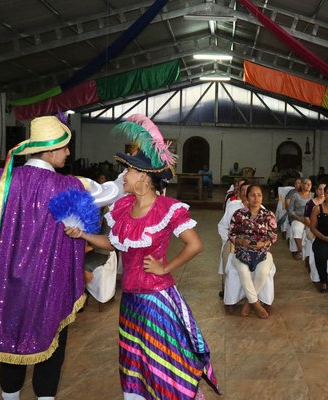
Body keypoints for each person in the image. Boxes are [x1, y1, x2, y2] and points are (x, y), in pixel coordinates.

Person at [0, 116, 125, 400]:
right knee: (52, 338)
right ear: (50, 151)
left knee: (8, 337)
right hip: (49, 282)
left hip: (5, 281)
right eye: (65, 148)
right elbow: (111, 192)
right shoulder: (72, 186)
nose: (68, 153)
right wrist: (132, 171)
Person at [64, 115, 220, 399]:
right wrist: (83, 235)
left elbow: (195, 244)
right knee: (134, 359)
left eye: (129, 171)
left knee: (161, 360)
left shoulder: (166, 208)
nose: (123, 175)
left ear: (145, 179)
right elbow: (113, 243)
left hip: (154, 299)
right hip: (131, 300)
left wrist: (165, 266)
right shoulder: (123, 207)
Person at [228, 184, 277, 319]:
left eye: (259, 195)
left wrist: (264, 243)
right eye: (253, 195)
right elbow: (231, 234)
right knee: (243, 271)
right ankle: (256, 303)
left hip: (262, 252)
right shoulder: (239, 214)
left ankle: (249, 303)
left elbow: (273, 236)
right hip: (241, 251)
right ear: (247, 197)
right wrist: (241, 242)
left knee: (263, 271)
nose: (256, 198)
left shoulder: (268, 215)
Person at [218, 181, 250, 297]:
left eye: (249, 190)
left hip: (251, 244)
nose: (246, 193)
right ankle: (226, 289)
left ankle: (251, 293)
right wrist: (228, 240)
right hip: (232, 242)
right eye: (243, 190)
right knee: (226, 254)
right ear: (239, 192)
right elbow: (222, 226)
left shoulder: (259, 207)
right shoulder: (233, 206)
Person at [287, 178, 312, 260]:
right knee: (296, 229)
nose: (308, 186)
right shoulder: (296, 195)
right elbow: (290, 210)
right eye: (306, 183)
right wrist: (301, 219)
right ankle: (301, 251)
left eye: (310, 184)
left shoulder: (313, 195)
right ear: (302, 185)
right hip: (298, 218)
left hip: (311, 219)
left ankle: (310, 252)